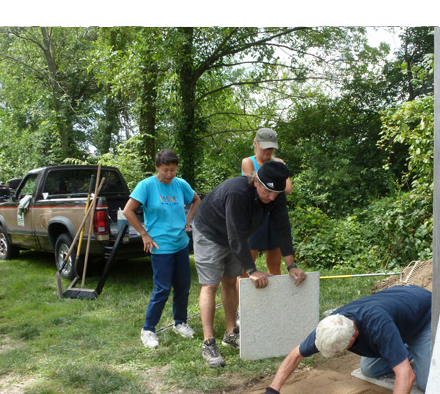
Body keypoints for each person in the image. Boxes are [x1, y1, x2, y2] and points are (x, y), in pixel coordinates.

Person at [259, 284, 433, 394]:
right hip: (396, 312)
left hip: (423, 315)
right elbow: (296, 354)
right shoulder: (332, 326)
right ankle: (400, 350)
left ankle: (409, 348)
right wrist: (273, 390)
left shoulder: (378, 327)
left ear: (352, 339)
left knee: (426, 383)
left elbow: (406, 375)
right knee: (369, 370)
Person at [191, 160, 306, 366]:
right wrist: (252, 270)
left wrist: (291, 265)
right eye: (268, 192)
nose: (272, 198)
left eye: (276, 194)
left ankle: (230, 333)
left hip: (236, 235)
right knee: (210, 285)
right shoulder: (238, 192)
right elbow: (234, 235)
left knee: (229, 281)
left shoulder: (274, 195)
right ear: (257, 182)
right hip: (210, 231)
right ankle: (209, 343)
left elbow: (283, 228)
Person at [120, 145, 200, 351]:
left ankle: (180, 322)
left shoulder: (180, 184)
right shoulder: (146, 186)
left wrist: (189, 219)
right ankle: (148, 330)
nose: (169, 174)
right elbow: (128, 211)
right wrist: (144, 234)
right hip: (160, 245)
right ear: (157, 167)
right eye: (165, 170)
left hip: (180, 243)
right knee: (162, 289)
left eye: (173, 170)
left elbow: (196, 199)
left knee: (183, 286)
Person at [241, 126, 294, 275]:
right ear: (255, 144)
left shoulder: (280, 163)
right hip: (254, 215)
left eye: (271, 148)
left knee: (275, 266)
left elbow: (288, 189)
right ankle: (242, 298)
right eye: (265, 147)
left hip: (274, 215)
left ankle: (273, 297)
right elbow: (253, 185)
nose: (268, 151)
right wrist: (275, 184)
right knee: (246, 270)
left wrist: (269, 186)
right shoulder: (248, 162)